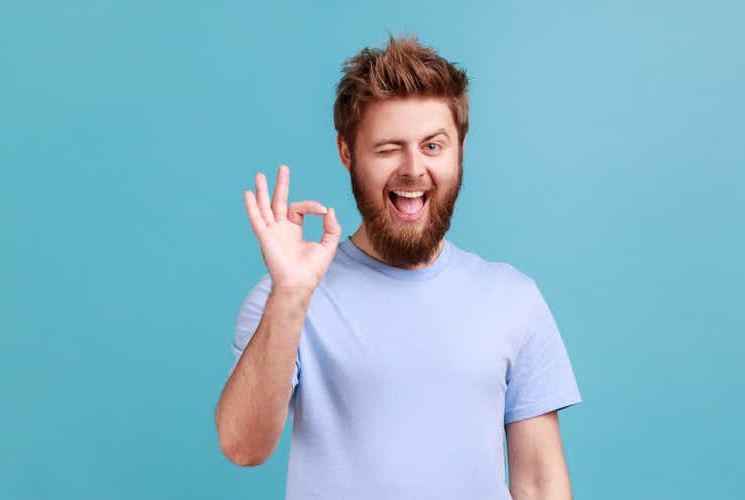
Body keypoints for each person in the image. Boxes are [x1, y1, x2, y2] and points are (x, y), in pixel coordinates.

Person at [215, 34, 582, 500]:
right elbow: (242, 447)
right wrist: (289, 296)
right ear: (347, 153)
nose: (413, 169)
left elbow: (539, 484)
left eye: (433, 146)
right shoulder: (287, 297)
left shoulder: (514, 298)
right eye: (389, 148)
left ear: (460, 149)